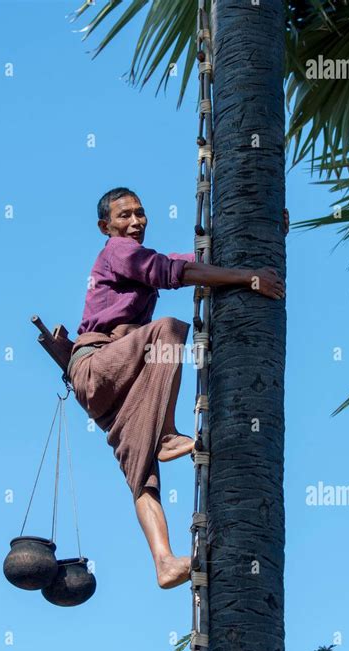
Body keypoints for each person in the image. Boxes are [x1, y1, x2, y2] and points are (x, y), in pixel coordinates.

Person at [69, 187, 287, 589]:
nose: (135, 222)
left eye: (140, 213)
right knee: (167, 332)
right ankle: (168, 434)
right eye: (124, 217)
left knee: (142, 472)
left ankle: (164, 562)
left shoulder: (139, 257)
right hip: (98, 367)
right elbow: (178, 274)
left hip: (119, 384)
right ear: (106, 226)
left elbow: (194, 262)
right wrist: (248, 278)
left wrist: (269, 233)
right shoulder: (117, 252)